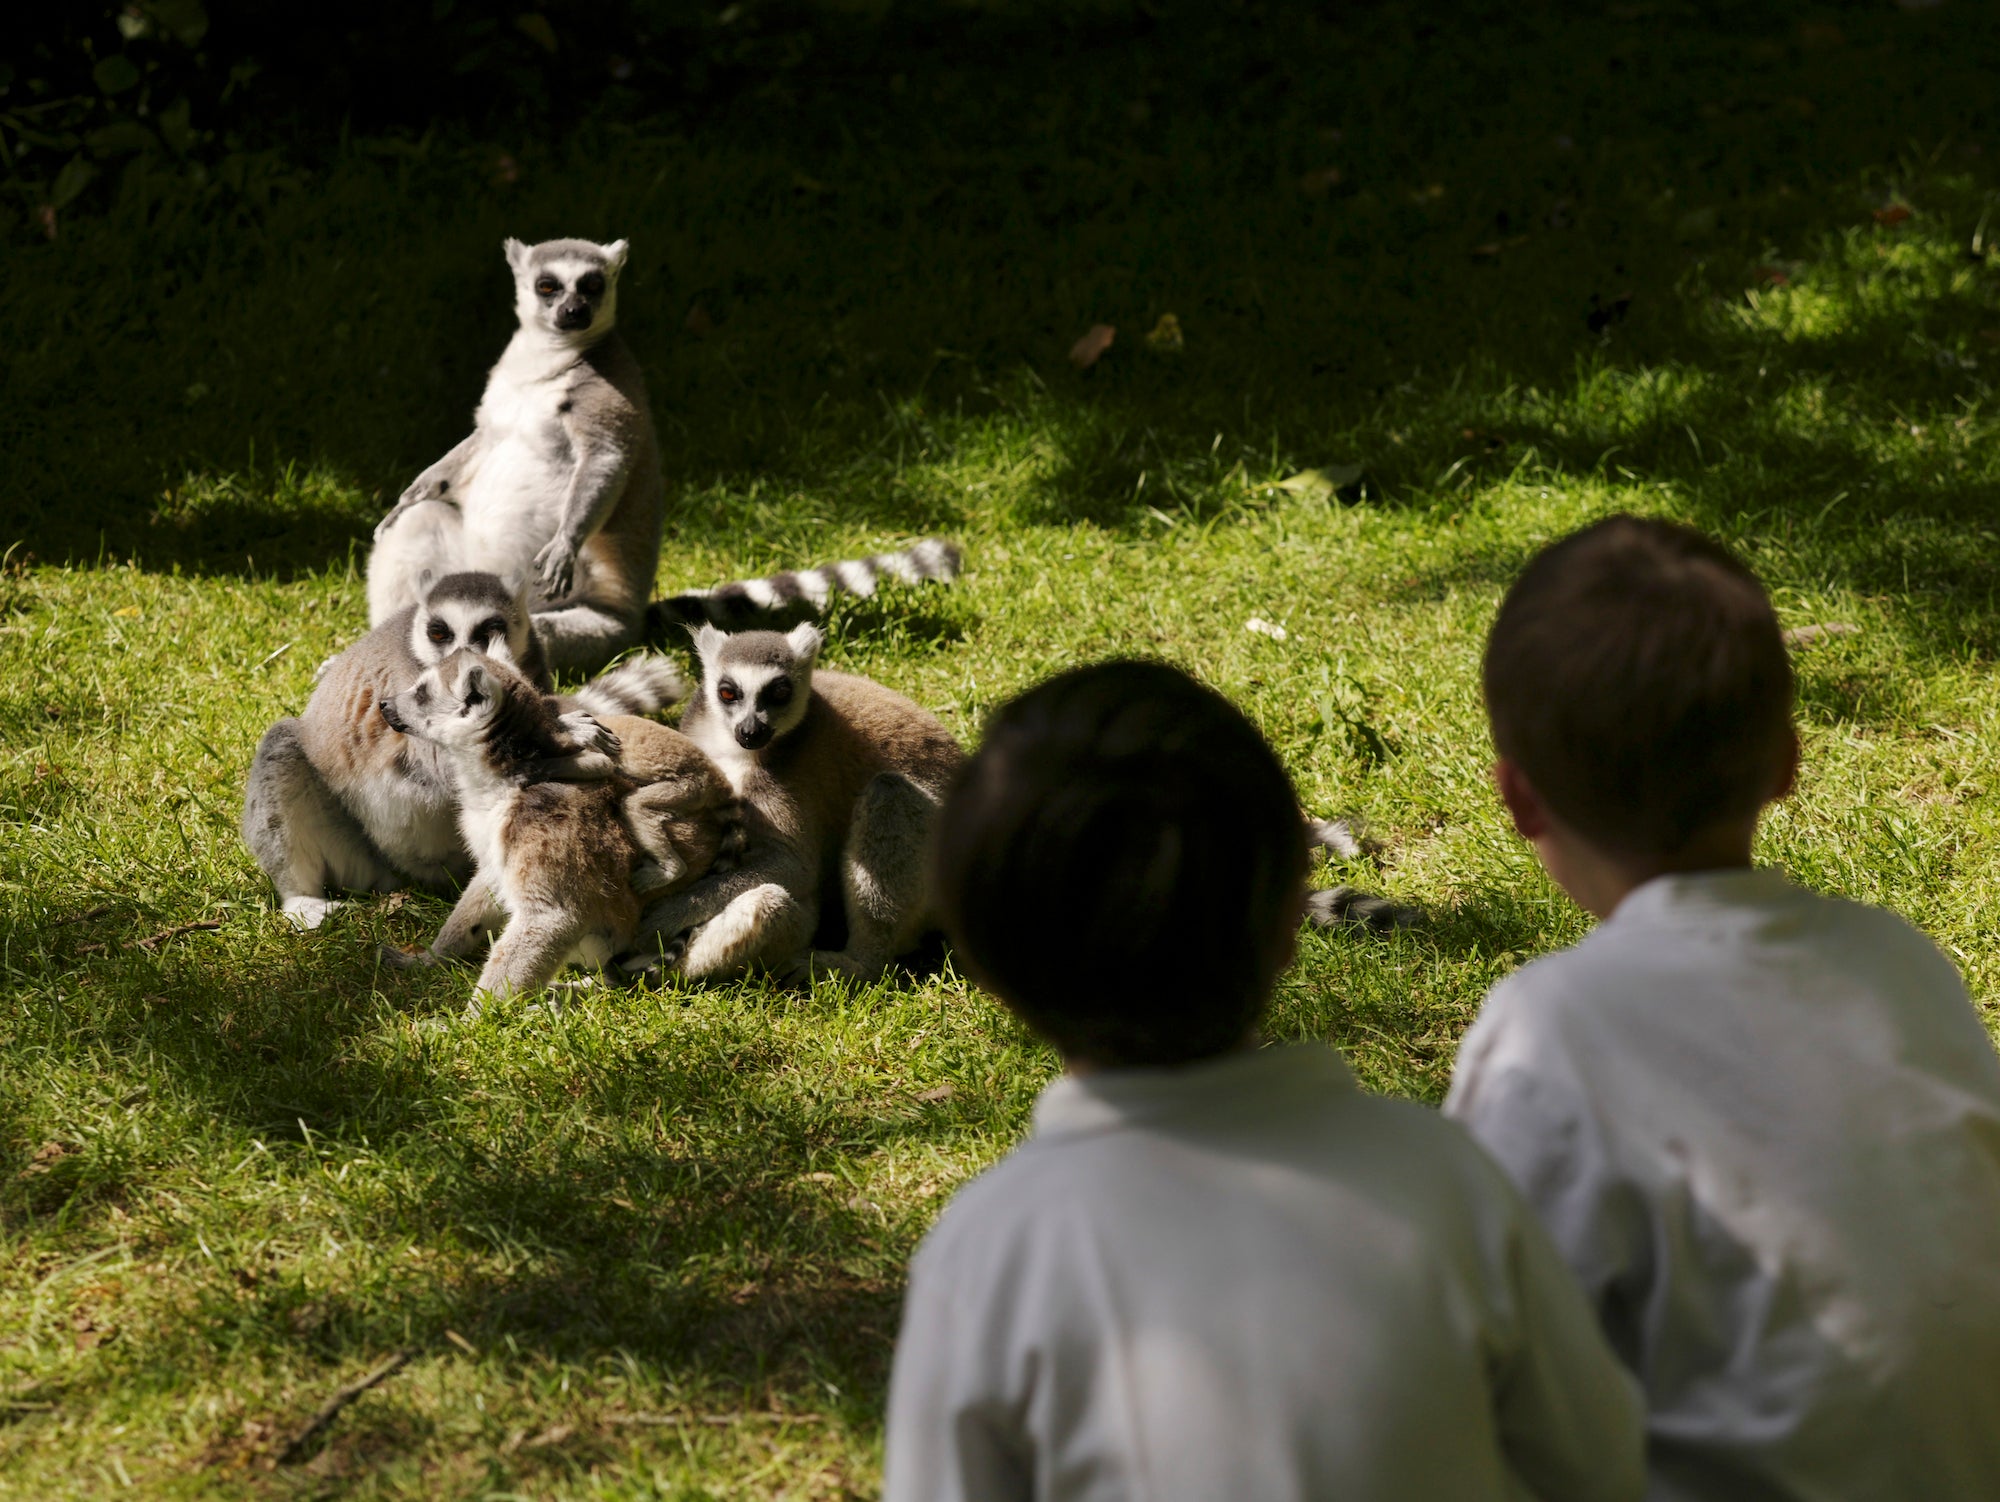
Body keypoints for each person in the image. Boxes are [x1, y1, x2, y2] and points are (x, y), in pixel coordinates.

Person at [884, 659, 1643, 1502]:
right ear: (1292, 917)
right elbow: (1600, 1466)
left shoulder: (990, 1249)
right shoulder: (1445, 1176)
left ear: (986, 967)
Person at [1446, 514, 2000, 1499]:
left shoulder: (1550, 1028)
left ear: (1517, 798)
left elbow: (1484, 1359)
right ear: (1787, 761)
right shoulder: (1897, 963)